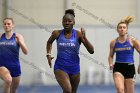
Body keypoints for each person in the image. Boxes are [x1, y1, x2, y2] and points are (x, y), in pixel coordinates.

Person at [46, 9, 94, 93]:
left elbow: (91, 51)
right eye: (65, 21)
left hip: (75, 68)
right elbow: (49, 42)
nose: (67, 23)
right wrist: (48, 54)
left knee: (73, 91)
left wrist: (85, 37)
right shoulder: (57, 33)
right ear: (62, 22)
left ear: (74, 22)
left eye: (69, 21)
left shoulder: (78, 34)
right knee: (68, 90)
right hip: (60, 67)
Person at [108, 16, 140, 93]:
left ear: (126, 30)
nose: (122, 29)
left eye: (124, 27)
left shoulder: (133, 41)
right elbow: (111, 56)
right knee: (120, 90)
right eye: (120, 27)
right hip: (118, 68)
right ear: (117, 29)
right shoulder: (113, 42)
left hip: (130, 68)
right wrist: (111, 63)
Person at [0, 18, 28, 93]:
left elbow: (26, 52)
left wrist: (20, 43)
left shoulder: (18, 37)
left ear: (12, 25)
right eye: (5, 24)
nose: (6, 25)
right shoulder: (0, 37)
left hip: (15, 66)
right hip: (2, 66)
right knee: (8, 80)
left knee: (13, 91)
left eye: (8, 24)